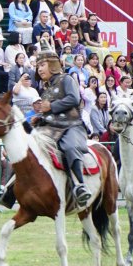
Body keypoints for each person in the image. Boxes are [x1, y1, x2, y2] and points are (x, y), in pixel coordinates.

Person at [22, 51, 91, 205]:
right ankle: (9, 192)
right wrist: (39, 118)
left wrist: (50, 106)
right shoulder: (46, 87)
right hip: (51, 128)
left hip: (71, 126)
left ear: (52, 65)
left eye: (42, 65)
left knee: (69, 146)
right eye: (37, 66)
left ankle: (80, 186)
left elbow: (74, 98)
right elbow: (50, 112)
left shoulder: (66, 79)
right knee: (29, 148)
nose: (39, 69)